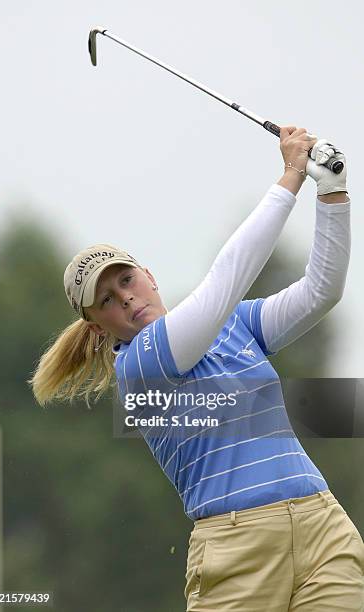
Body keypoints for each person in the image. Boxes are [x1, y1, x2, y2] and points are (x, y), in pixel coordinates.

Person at [30, 127, 364, 610]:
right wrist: (291, 175)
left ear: (149, 275)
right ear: (99, 328)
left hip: (322, 526)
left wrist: (332, 191)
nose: (125, 297)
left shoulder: (236, 324)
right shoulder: (142, 365)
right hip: (237, 549)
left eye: (127, 280)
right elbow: (225, 281)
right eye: (106, 299)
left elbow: (321, 292)